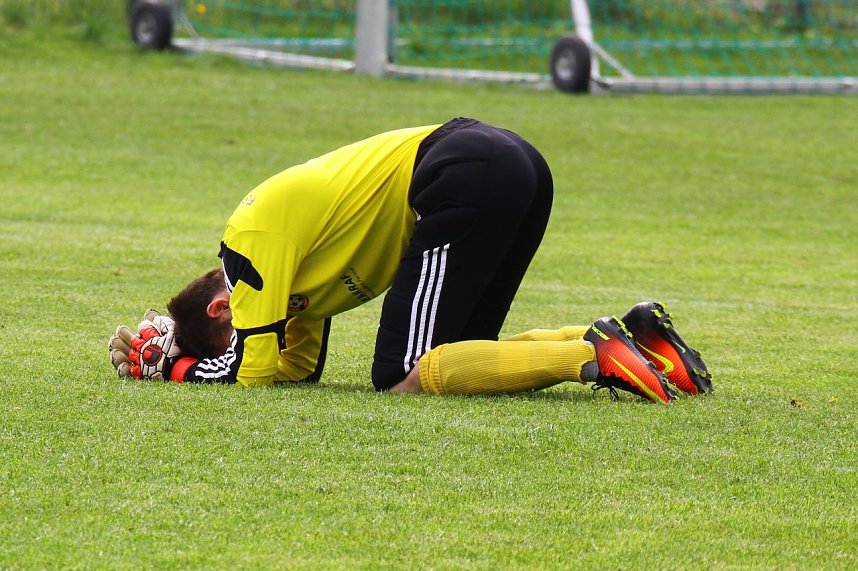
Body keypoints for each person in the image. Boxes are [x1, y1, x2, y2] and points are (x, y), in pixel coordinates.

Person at [110, 118, 712, 402]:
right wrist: (181, 346)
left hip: (463, 170)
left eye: (227, 333)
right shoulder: (290, 278)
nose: (244, 333)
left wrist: (177, 368)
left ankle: (591, 356)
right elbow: (295, 369)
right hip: (509, 163)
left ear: (225, 305)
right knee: (468, 362)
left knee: (401, 373)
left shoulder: (247, 250)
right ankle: (629, 340)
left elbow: (253, 371)